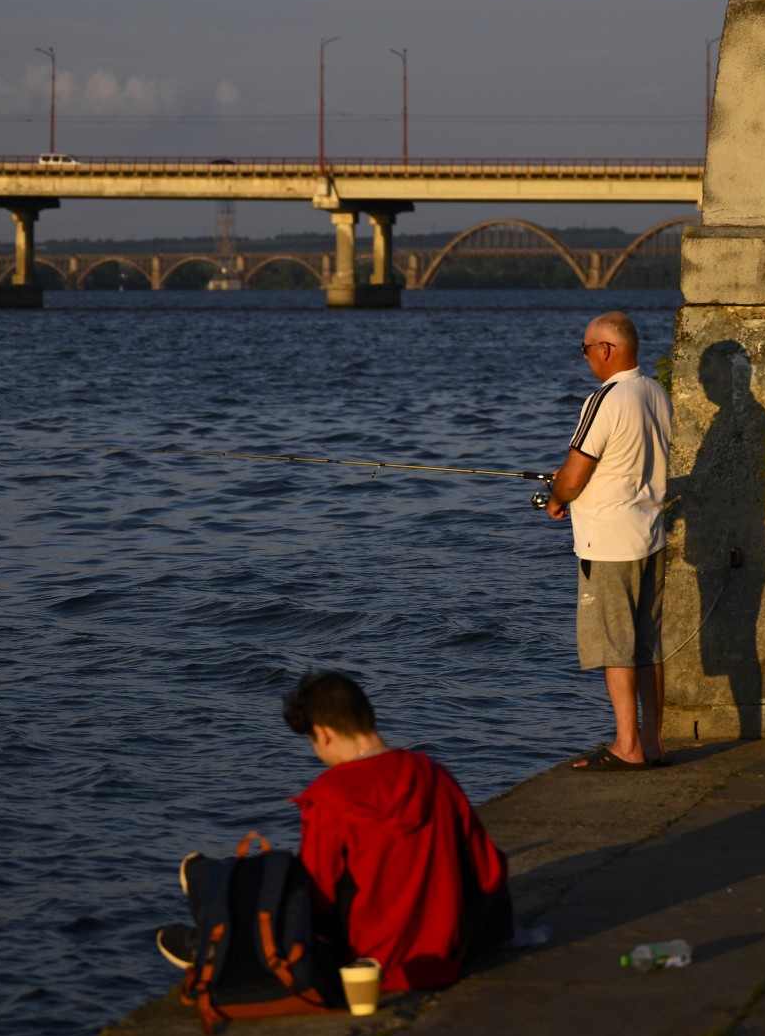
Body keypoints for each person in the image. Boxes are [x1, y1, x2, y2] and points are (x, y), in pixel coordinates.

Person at [157, 671, 512, 995]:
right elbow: (489, 872)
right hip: (444, 956)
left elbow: (318, 897)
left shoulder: (329, 796)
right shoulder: (435, 775)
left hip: (368, 963)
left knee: (256, 882)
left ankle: (213, 932)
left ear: (324, 733)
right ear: (366, 714)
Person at [543, 311, 674, 769]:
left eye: (586, 348)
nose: (585, 357)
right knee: (647, 645)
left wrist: (555, 497)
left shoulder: (605, 399)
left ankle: (627, 746)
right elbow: (627, 459)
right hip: (651, 535)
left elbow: (576, 473)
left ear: (606, 349)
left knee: (615, 644)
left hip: (609, 544)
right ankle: (653, 742)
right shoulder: (655, 393)